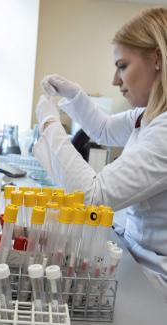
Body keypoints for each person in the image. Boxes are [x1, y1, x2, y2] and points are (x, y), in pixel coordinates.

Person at [34, 7, 167, 296]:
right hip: (133, 254)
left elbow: (94, 196)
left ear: (157, 59)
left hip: (154, 279)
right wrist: (75, 96)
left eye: (122, 66)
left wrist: (49, 124)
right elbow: (104, 129)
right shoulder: (148, 115)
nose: (115, 81)